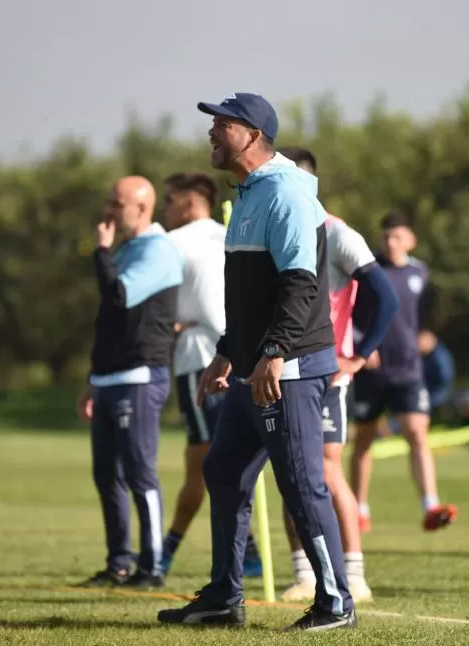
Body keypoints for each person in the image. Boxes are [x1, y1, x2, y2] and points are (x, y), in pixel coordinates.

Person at [156, 92, 356, 631]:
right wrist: (228, 353)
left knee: (300, 484)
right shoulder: (246, 193)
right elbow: (247, 295)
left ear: (252, 133)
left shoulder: (285, 191)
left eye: (221, 125)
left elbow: (299, 285)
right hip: (251, 368)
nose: (211, 135)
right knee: (222, 470)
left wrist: (272, 354)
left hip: (286, 371)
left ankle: (336, 601)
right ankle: (224, 596)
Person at [274, 146, 400, 604]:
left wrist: (358, 355)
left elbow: (386, 298)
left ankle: (354, 572)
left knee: (326, 471)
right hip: (282, 372)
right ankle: (305, 573)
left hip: (327, 375)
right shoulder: (279, 231)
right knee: (290, 471)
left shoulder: (339, 233)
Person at [75, 176, 183, 588]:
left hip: (140, 377)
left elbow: (119, 295)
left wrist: (101, 251)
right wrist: (92, 378)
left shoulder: (157, 251)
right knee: (107, 475)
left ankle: (152, 567)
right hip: (109, 378)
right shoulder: (128, 249)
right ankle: (119, 562)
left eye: (116, 203)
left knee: (140, 473)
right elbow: (110, 320)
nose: (108, 211)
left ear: (141, 208)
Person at [158, 172, 263, 579]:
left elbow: (162, 308)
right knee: (225, 462)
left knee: (206, 464)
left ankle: (164, 554)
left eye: (169, 200)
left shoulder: (172, 243)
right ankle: (250, 553)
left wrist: (174, 323)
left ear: (189, 202)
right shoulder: (232, 233)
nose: (165, 209)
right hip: (242, 357)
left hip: (201, 363)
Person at [349, 212, 458, 533]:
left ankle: (430, 505)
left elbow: (427, 313)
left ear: (411, 240)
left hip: (408, 370)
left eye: (398, 236)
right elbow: (347, 314)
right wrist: (361, 347)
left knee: (417, 434)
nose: (390, 242)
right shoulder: (368, 271)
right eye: (386, 236)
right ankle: (359, 509)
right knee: (364, 442)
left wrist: (429, 333)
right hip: (370, 372)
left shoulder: (419, 272)